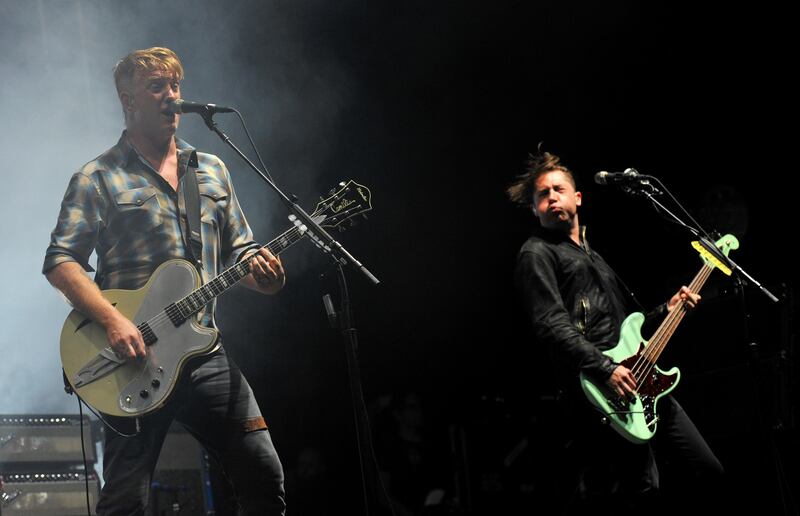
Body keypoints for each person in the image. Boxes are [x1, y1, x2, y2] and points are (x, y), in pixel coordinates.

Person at [43, 47, 286, 515]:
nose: (170, 96)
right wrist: (114, 323)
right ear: (127, 100)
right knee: (126, 502)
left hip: (203, 355)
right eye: (156, 87)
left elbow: (240, 250)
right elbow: (61, 262)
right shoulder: (97, 177)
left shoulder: (212, 169)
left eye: (175, 85)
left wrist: (264, 273)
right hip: (131, 358)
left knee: (262, 474)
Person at [507, 150, 723, 513]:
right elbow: (550, 324)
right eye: (542, 195)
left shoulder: (594, 257)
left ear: (578, 197)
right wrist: (604, 369)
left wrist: (663, 312)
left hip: (641, 380)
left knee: (707, 470)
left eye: (558, 189)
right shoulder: (537, 253)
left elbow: (626, 327)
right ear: (534, 210)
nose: (550, 198)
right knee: (642, 488)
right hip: (603, 391)